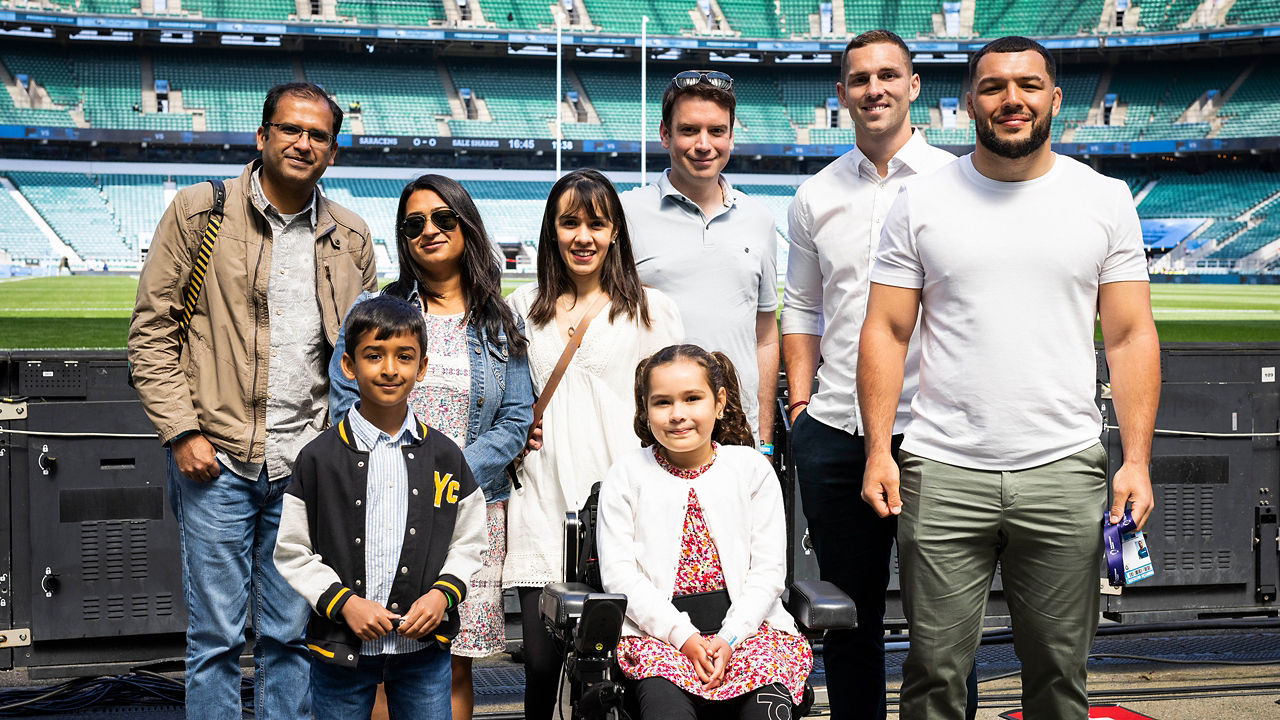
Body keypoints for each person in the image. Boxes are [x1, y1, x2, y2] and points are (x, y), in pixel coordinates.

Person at [858, 36, 1160, 719]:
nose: (1011, 100)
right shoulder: (919, 201)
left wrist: (1137, 460)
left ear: (1054, 100)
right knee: (933, 671)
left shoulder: (1104, 199)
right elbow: (885, 329)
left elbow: (1130, 333)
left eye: (1028, 86)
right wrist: (880, 448)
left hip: (1062, 466)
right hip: (942, 467)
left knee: (1059, 671)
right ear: (969, 102)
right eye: (993, 87)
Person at [128, 82, 375, 720]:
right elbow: (152, 332)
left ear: (333, 150)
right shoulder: (199, 211)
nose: (303, 143)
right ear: (262, 137)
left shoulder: (351, 237)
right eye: (290, 129)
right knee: (215, 640)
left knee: (291, 637)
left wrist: (340, 450)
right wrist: (182, 432)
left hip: (304, 467)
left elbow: (361, 359)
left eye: (318, 135)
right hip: (217, 459)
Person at [781, 30, 960, 720]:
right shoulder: (815, 195)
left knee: (942, 629)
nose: (874, 89)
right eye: (859, 79)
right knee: (845, 618)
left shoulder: (957, 184)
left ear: (914, 86)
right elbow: (802, 306)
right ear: (842, 95)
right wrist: (801, 407)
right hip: (833, 431)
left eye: (889, 75)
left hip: (933, 433)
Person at [328, 174, 534, 720]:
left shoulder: (498, 320)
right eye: (414, 223)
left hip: (471, 510)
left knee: (454, 659)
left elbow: (516, 418)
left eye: (443, 219)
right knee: (379, 658)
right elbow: (343, 406)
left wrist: (447, 473)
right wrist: (407, 474)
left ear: (466, 225)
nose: (430, 231)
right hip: (381, 506)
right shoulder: (376, 309)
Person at [504, 168, 684, 720]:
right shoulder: (523, 305)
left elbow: (675, 404)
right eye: (570, 223)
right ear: (551, 231)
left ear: (615, 233)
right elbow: (507, 401)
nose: (583, 236)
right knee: (540, 663)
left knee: (610, 667)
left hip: (618, 501)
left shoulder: (650, 309)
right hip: (540, 498)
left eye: (597, 223)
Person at [274, 295, 488, 720]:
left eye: (404, 357)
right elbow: (293, 551)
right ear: (349, 367)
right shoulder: (317, 459)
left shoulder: (446, 456)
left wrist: (442, 597)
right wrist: (344, 603)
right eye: (374, 355)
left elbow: (470, 541)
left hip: (423, 653)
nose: (390, 369)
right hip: (340, 653)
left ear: (421, 367)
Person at [597, 344, 812, 719]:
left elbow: (767, 573)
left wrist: (728, 639)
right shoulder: (626, 475)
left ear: (719, 401)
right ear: (645, 410)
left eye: (692, 398)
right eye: (662, 403)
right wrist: (685, 638)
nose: (678, 414)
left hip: (751, 632)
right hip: (659, 637)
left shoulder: (751, 470)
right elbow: (621, 577)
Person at [620, 70, 779, 450]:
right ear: (665, 134)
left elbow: (766, 337)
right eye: (689, 130)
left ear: (731, 137)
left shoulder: (760, 219)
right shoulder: (625, 213)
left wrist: (765, 435)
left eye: (717, 131)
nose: (704, 144)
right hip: (652, 429)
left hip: (735, 430)